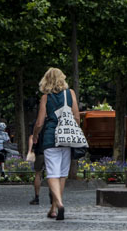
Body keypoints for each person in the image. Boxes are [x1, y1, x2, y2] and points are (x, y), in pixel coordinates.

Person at [33, 67, 79, 221]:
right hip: (67, 138)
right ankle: (53, 208)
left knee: (52, 173)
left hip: (51, 138)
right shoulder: (70, 93)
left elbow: (40, 122)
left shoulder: (45, 97)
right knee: (62, 174)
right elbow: (77, 117)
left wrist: (35, 135)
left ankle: (58, 204)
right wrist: (76, 132)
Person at [26, 121, 46, 206]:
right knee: (52, 174)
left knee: (38, 173)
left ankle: (37, 197)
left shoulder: (37, 123)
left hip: (40, 152)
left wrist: (30, 151)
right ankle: (54, 196)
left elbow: (32, 137)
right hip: (51, 151)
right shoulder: (53, 121)